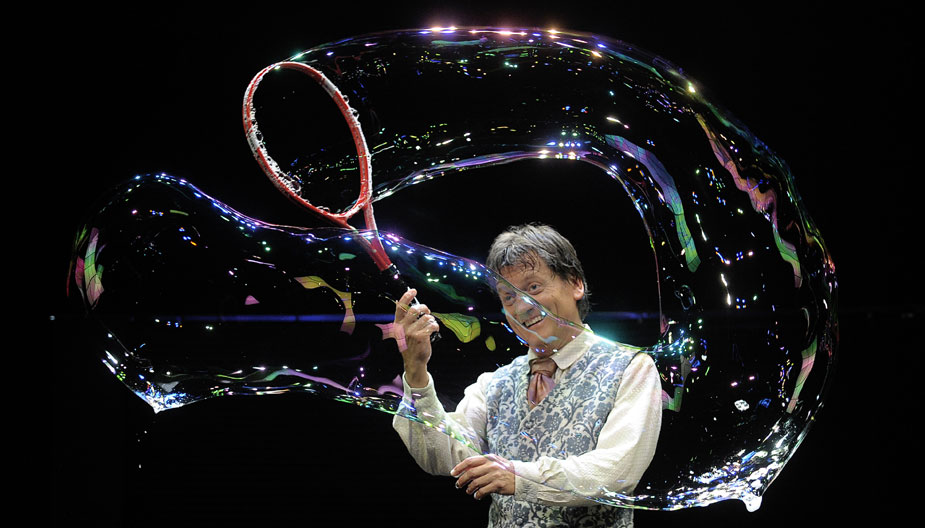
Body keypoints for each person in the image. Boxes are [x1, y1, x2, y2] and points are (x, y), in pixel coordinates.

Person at [392, 223, 662, 527]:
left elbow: (617, 471)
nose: (522, 307)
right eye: (508, 297)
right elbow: (438, 457)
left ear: (575, 284)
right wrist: (415, 369)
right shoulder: (493, 384)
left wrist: (520, 477)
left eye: (533, 288)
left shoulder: (631, 368)